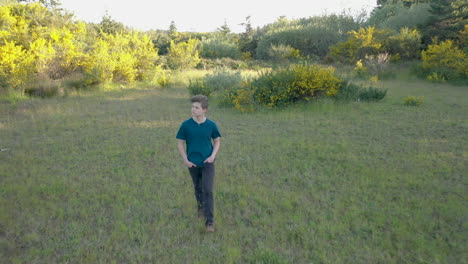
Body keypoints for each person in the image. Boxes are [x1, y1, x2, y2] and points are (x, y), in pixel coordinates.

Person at [176, 95, 221, 232]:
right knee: (198, 188)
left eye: (196, 107)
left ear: (204, 110)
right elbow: (180, 143)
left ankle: (209, 222)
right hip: (192, 164)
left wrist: (213, 156)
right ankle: (200, 207)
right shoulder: (186, 125)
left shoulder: (211, 125)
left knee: (207, 190)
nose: (193, 110)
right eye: (192, 107)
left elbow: (217, 141)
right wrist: (185, 160)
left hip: (208, 162)